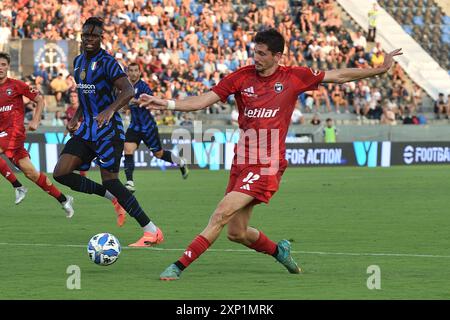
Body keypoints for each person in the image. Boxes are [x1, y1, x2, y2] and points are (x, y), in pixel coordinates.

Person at [139, 28, 403, 280]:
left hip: (267, 164)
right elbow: (202, 100)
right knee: (237, 232)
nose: (256, 58)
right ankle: (280, 251)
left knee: (220, 213)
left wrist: (378, 69)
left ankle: (178, 266)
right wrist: (167, 103)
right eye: (255, 52)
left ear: (278, 56)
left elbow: (338, 76)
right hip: (242, 160)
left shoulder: (294, 77)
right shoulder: (241, 77)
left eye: (263, 53)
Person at [52, 17, 163, 245]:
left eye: (93, 36)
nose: (89, 39)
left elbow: (128, 90)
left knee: (111, 180)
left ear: (101, 38)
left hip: (108, 132)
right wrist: (75, 118)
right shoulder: (78, 61)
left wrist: (111, 110)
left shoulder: (108, 62)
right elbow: (85, 96)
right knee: (61, 173)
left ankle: (152, 231)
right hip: (87, 130)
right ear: (81, 37)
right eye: (85, 36)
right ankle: (113, 198)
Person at [0, 52, 74, 215]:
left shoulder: (16, 85)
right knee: (31, 173)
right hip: (4, 136)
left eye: (3, 64)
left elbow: (40, 100)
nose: (0, 67)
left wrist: (35, 120)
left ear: (8, 67)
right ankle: (63, 199)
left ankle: (17, 186)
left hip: (15, 132)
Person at [123, 62, 189, 193]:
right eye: (131, 70)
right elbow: (125, 107)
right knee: (128, 149)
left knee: (158, 154)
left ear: (139, 73)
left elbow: (150, 101)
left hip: (148, 127)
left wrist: (133, 101)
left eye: (136, 70)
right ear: (127, 73)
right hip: (135, 126)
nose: (134, 73)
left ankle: (180, 162)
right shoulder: (125, 87)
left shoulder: (144, 87)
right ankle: (130, 182)